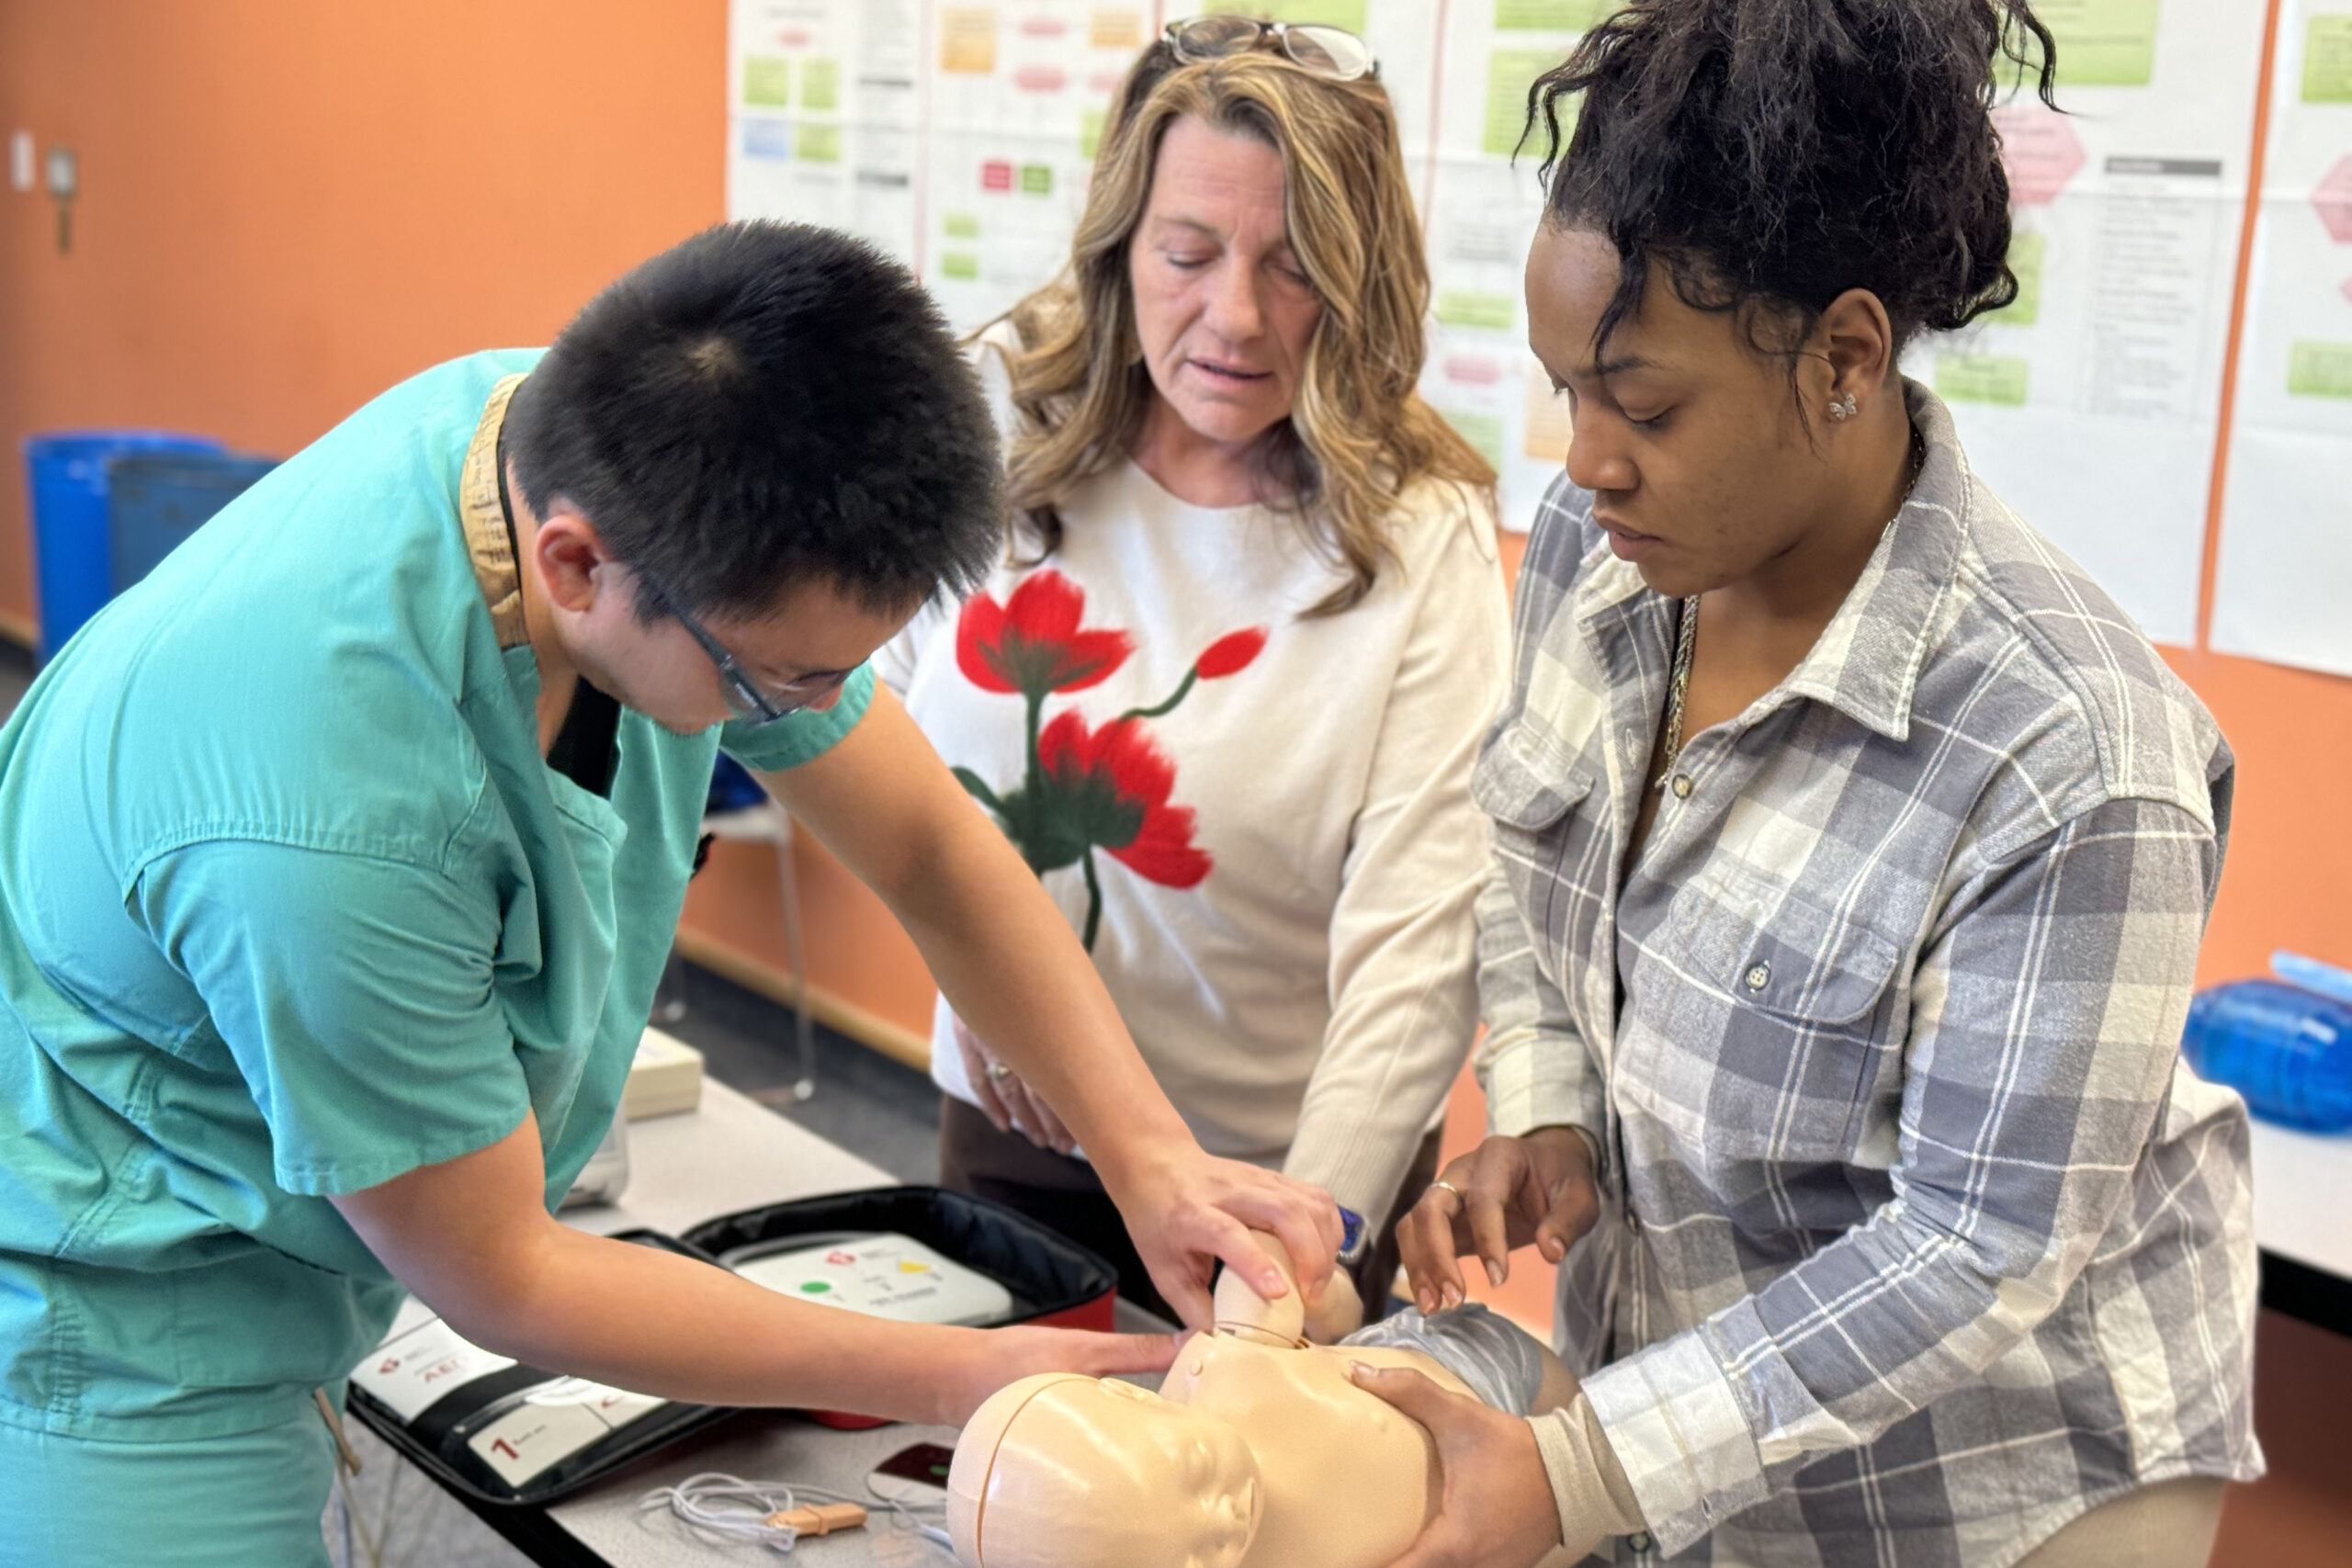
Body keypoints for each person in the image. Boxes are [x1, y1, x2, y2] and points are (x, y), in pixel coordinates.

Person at [0, 221, 1340, 1568]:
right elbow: (502, 1274)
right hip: (115, 1318)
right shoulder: (331, 818)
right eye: (783, 683)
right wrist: (955, 1374)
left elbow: (926, 845)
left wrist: (1150, 1157)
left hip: (298, 1229)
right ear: (579, 565)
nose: (815, 715)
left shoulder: (581, 436)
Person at [1366, 4, 2263, 1566]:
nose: (1581, 462)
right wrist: (1555, 1109)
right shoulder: (1608, 556)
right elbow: (1532, 846)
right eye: (1565, 389)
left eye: (1641, 405)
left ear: (1844, 356)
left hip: (1998, 1484)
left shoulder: (2073, 757)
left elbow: (1973, 1247)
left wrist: (1582, 1472)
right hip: (1691, 1419)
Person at [876, 14, 1509, 1319]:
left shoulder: (1418, 534)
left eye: (1295, 267)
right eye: (1188, 252)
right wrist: (975, 977)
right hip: (1019, 1133)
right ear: (1120, 246)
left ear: (1361, 277)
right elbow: (854, 716)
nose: (1235, 315)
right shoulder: (1000, 428)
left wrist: (1309, 1239)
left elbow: (1421, 942)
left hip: (1280, 1176)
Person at [945, 1233, 1602, 1568]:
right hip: (1486, 1537)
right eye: (1194, 1560)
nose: (1222, 1520)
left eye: (1196, 1475)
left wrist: (1330, 1298)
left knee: (1605, 1477)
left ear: (1137, 1397)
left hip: (1480, 1371)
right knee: (1586, 1534)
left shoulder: (1227, 1367)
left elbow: (1272, 1263)